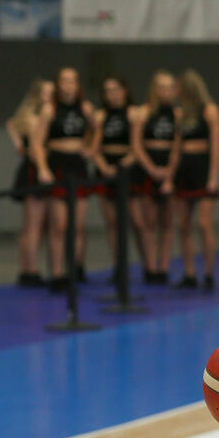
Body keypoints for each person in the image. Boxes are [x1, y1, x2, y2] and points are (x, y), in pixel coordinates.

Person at [30, 67, 94, 292]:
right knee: (59, 225)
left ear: (78, 85)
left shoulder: (85, 108)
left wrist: (91, 147)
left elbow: (96, 130)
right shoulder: (50, 110)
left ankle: (74, 269)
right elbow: (37, 142)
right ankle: (57, 274)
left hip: (78, 165)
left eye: (73, 81)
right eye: (64, 81)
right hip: (58, 164)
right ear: (58, 84)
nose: (69, 86)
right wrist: (43, 168)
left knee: (78, 225)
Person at [88, 75, 154, 284]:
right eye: (108, 91)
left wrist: (122, 165)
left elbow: (137, 145)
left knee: (137, 220)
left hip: (129, 168)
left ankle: (150, 266)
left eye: (116, 89)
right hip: (106, 166)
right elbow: (95, 146)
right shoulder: (100, 116)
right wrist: (104, 167)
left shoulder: (134, 113)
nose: (112, 95)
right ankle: (119, 266)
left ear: (125, 91)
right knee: (112, 223)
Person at [171, 70, 219, 290]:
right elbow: (176, 147)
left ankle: (209, 272)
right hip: (185, 169)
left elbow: (216, 145)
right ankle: (190, 272)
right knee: (183, 224)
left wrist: (212, 177)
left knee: (204, 223)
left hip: (202, 168)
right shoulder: (181, 114)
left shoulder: (209, 111)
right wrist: (170, 176)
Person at [131, 70, 180, 284]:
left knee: (167, 221)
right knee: (148, 221)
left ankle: (164, 267)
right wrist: (151, 169)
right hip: (147, 167)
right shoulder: (144, 112)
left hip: (170, 167)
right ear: (154, 89)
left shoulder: (178, 114)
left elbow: (178, 146)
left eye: (170, 87)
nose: (166, 92)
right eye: (162, 87)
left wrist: (169, 172)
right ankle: (150, 266)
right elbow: (136, 144)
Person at [6, 77, 53, 286]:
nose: (51, 96)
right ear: (38, 95)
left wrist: (18, 142)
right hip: (34, 171)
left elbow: (11, 126)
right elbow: (34, 148)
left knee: (31, 225)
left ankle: (27, 267)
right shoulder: (35, 119)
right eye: (47, 92)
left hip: (31, 168)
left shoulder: (26, 117)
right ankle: (30, 270)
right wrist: (44, 164)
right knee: (33, 225)